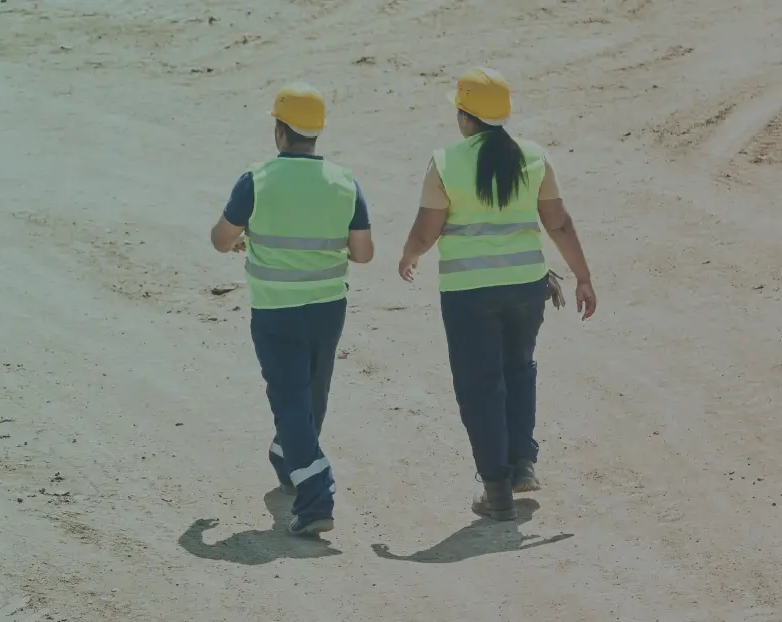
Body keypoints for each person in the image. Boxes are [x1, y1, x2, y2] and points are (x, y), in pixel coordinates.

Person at [396, 67, 596, 522]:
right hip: (527, 286)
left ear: (464, 115)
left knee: (479, 385)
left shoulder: (446, 161)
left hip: (469, 292)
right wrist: (583, 277)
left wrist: (410, 256)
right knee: (519, 368)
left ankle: (497, 490)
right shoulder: (533, 156)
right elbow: (559, 223)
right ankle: (522, 457)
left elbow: (428, 230)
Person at [209, 82, 375, 537]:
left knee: (288, 398)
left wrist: (246, 240)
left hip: (276, 310)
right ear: (316, 133)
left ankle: (316, 493)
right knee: (312, 394)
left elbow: (221, 238)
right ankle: (288, 458)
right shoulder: (345, 182)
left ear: (279, 130)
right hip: (327, 308)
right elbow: (363, 254)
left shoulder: (257, 179)